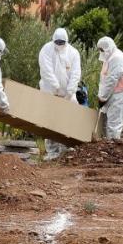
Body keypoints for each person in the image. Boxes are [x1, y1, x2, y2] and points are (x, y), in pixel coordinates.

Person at [39, 28, 81, 160]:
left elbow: (75, 73)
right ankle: (52, 151)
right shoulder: (46, 49)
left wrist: (69, 92)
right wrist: (56, 88)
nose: (59, 44)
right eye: (57, 42)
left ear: (66, 41)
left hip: (68, 94)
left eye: (61, 42)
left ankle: (67, 147)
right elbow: (46, 70)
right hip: (49, 91)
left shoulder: (73, 53)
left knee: (70, 118)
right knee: (50, 120)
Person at [97, 36, 123, 140]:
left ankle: (114, 152)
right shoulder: (109, 58)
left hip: (121, 96)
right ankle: (108, 151)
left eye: (102, 50)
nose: (101, 52)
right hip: (113, 95)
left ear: (108, 48)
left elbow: (112, 80)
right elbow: (104, 79)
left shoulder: (117, 58)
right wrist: (101, 96)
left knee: (114, 127)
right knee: (107, 126)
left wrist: (102, 97)